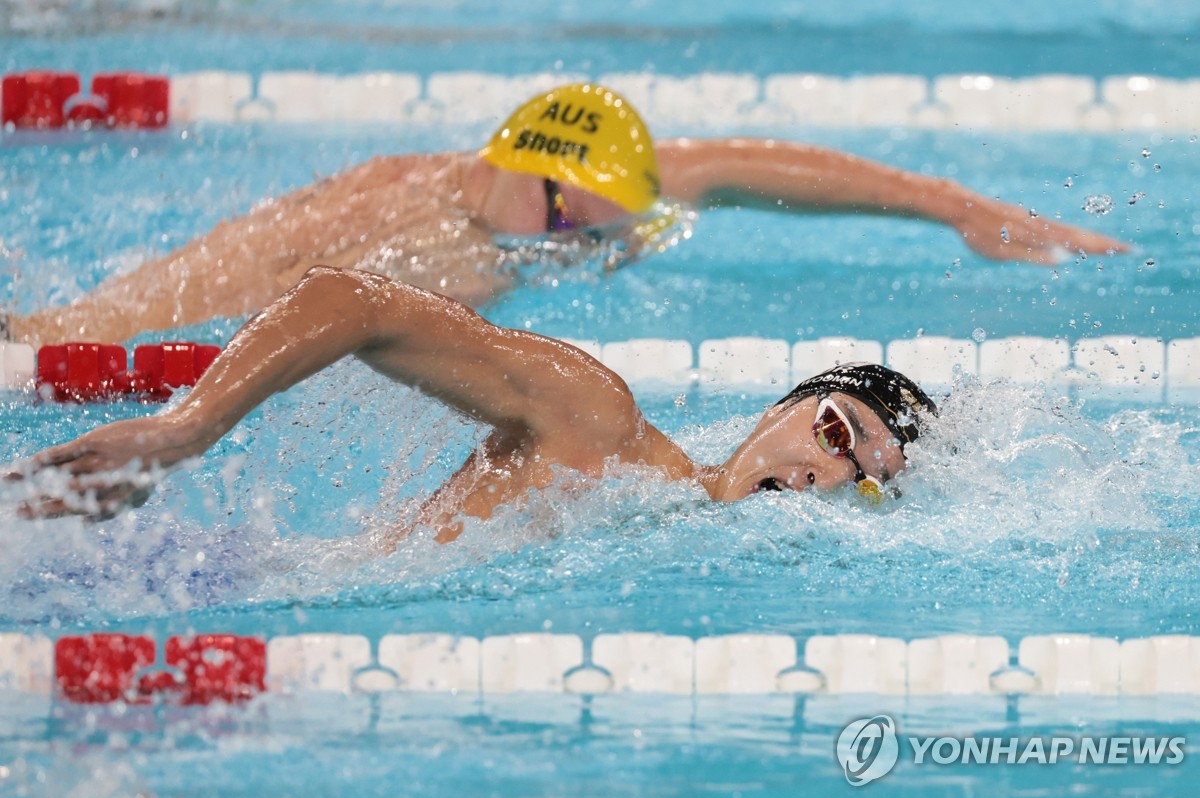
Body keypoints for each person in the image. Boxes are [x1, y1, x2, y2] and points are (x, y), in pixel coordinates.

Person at [4, 83, 1126, 347]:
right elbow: (214, 318)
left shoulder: (565, 183)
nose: (595, 240)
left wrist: (956, 208)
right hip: (122, 331)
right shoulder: (412, 232)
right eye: (577, 220)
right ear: (531, 174)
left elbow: (742, 164)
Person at [12, 266, 936, 548]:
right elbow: (348, 300)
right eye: (835, 430)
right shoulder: (601, 426)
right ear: (786, 405)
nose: (824, 475)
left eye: (861, 485)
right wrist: (188, 428)